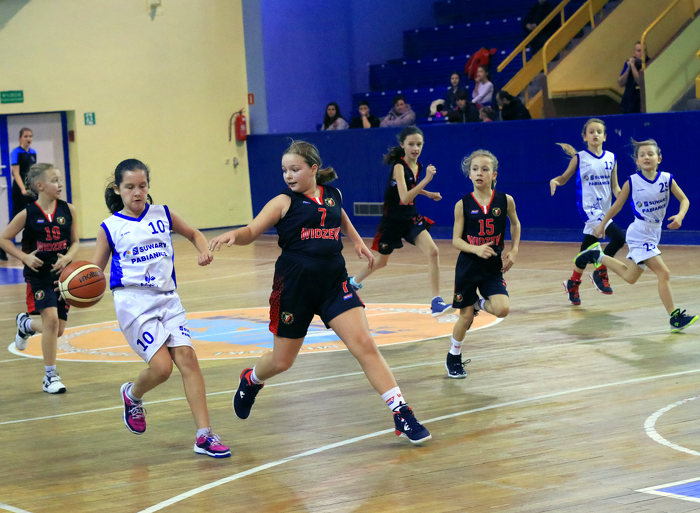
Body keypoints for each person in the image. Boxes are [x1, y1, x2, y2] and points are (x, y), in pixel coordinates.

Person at [208, 140, 431, 444]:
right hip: (294, 288)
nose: (288, 175)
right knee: (282, 361)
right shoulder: (282, 202)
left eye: (295, 169)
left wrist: (357, 240)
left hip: (333, 284)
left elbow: (340, 216)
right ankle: (252, 379)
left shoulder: (332, 195)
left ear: (313, 169)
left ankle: (401, 412)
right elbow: (251, 230)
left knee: (365, 344)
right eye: (284, 170)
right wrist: (234, 235)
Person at [92, 158, 230, 458]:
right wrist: (73, 288)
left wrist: (203, 250)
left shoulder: (163, 214)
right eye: (130, 187)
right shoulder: (110, 227)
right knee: (162, 369)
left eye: (142, 186)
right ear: (117, 189)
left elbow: (194, 233)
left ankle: (204, 435)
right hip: (133, 303)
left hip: (168, 298)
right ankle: (132, 394)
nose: (137, 192)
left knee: (188, 359)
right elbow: (94, 274)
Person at [578, 139, 697, 332]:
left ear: (659, 158)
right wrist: (602, 224)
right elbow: (616, 206)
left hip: (654, 233)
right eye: (642, 155)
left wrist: (680, 216)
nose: (646, 157)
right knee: (664, 273)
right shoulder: (632, 182)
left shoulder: (667, 179)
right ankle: (674, 317)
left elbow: (684, 199)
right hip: (640, 233)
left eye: (650, 154)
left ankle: (596, 255)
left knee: (630, 277)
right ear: (637, 161)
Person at [348, 126, 452, 316]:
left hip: (410, 218)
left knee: (433, 251)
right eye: (411, 144)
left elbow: (410, 186)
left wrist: (427, 193)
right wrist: (427, 180)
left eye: (419, 144)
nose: (415, 148)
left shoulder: (417, 166)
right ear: (403, 145)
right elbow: (404, 197)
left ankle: (436, 301)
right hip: (392, 221)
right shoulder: (398, 166)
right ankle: (353, 283)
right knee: (381, 262)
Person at [0, 163, 79, 394]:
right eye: (54, 180)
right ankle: (50, 376)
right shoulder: (28, 213)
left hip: (61, 277)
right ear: (40, 185)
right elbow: (4, 239)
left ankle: (25, 324)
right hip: (38, 276)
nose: (60, 184)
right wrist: (24, 257)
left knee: (57, 329)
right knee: (51, 321)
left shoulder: (68, 210)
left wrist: (68, 258)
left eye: (60, 179)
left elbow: (75, 242)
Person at [446, 150, 520, 378]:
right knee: (465, 316)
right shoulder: (462, 204)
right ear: (469, 174)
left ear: (494, 174)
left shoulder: (505, 200)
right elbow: (456, 240)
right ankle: (453, 356)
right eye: (475, 169)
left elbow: (515, 224)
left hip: (492, 267)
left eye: (485, 169)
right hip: (468, 267)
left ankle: (478, 304)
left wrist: (514, 249)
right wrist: (476, 248)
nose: (479, 173)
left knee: (502, 309)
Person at [549, 118, 624, 306]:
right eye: (591, 132)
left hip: (605, 210)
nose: (595, 134)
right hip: (589, 209)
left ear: (605, 137)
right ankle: (601, 270)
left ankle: (572, 284)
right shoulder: (580, 158)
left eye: (599, 132)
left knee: (586, 250)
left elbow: (615, 186)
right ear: (585, 137)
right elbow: (564, 177)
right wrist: (555, 181)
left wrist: (623, 196)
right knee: (619, 237)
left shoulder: (611, 158)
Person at [10, 127, 38, 218]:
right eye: (25, 136)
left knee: (34, 212)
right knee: (19, 214)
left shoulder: (33, 152)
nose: (28, 138)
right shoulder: (16, 152)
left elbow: (33, 171)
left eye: (30, 136)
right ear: (20, 138)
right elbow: (16, 173)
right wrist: (23, 189)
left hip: (31, 186)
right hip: (20, 187)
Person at [618, 42, 648, 114]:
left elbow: (640, 82)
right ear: (634, 53)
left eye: (643, 51)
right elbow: (620, 83)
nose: (641, 53)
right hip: (628, 103)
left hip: (641, 103)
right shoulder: (628, 63)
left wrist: (633, 66)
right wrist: (628, 68)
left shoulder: (648, 63)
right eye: (639, 51)